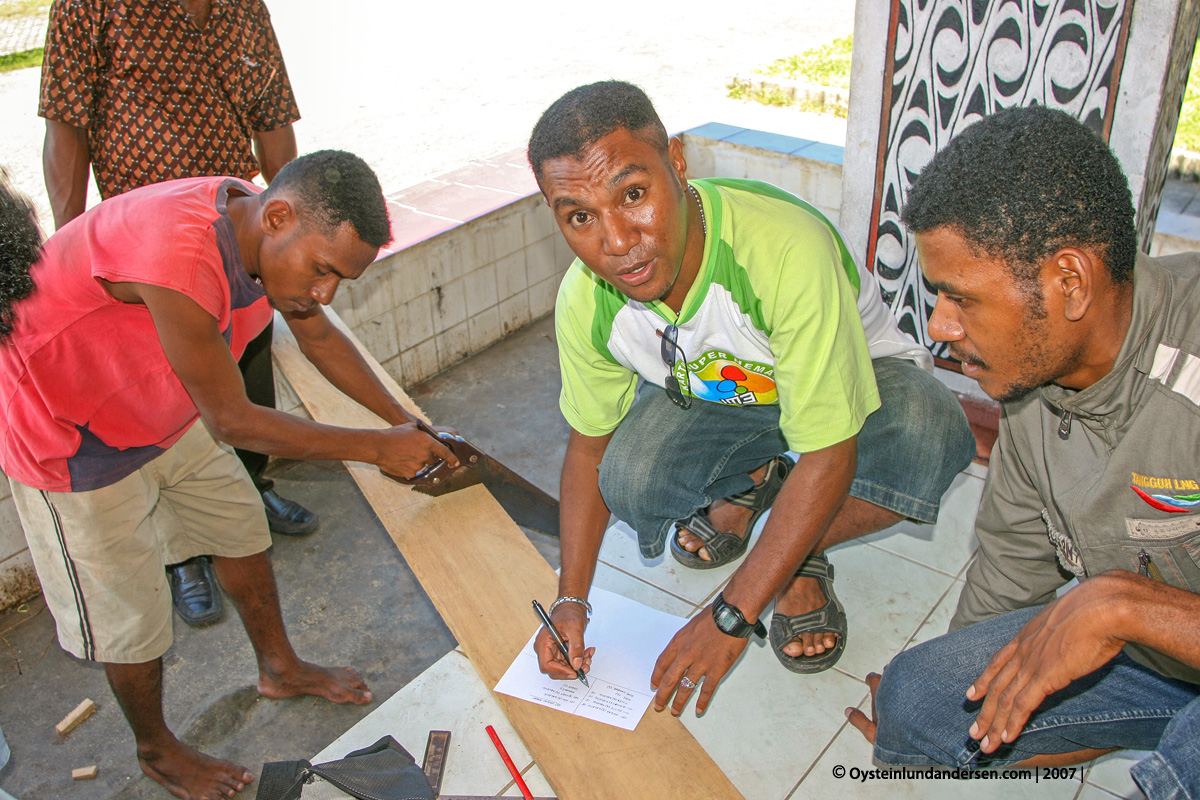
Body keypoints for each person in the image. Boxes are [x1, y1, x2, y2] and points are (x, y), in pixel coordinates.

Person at [0, 150, 456, 800]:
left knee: (240, 529)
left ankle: (279, 666)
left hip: (165, 403)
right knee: (131, 619)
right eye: (323, 271)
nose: (323, 293)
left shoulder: (261, 226)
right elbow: (236, 422)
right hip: (73, 435)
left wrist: (408, 423)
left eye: (339, 281)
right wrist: (376, 448)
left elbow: (319, 338)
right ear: (277, 216)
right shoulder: (180, 255)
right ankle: (157, 750)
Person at [526, 81, 976, 714]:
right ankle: (755, 480)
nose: (617, 241)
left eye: (633, 195)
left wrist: (733, 613)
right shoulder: (585, 300)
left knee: (930, 433)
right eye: (579, 216)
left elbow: (829, 450)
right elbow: (589, 452)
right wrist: (572, 602)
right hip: (730, 396)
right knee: (630, 477)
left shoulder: (783, 249)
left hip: (861, 384)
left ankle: (798, 549)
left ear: (677, 163)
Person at [845, 106, 1200, 799]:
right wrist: (956, 687)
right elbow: (1012, 557)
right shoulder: (1034, 381)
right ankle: (1156, 720)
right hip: (1154, 658)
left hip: (1158, 633)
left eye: (961, 300)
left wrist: (1123, 606)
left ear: (1069, 281)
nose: (941, 328)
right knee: (917, 707)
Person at [38, 0, 309, 626]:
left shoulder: (244, 9)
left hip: (233, 239)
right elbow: (66, 128)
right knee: (159, 406)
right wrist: (70, 245)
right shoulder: (89, 6)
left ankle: (251, 488)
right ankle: (179, 552)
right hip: (146, 265)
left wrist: (293, 235)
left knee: (245, 375)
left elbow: (272, 122)